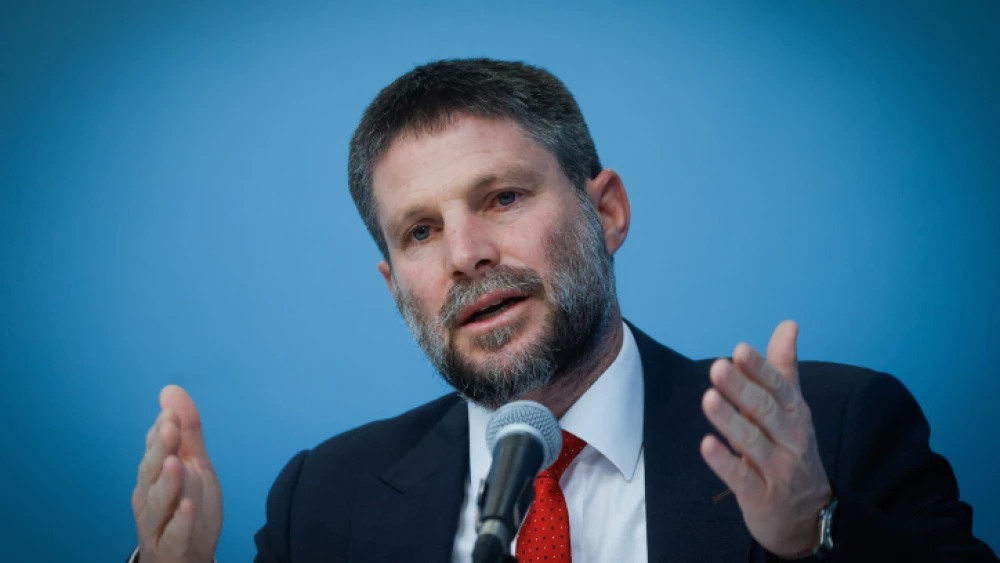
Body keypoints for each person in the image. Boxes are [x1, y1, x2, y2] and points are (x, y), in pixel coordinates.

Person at [128, 58, 998, 563]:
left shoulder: (836, 431)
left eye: (502, 198)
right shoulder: (324, 501)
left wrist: (815, 530)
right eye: (422, 230)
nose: (466, 253)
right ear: (396, 288)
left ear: (606, 212)